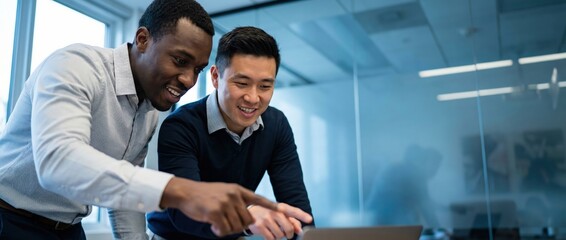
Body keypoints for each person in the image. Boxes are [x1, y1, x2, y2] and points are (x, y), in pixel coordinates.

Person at [0, 1, 283, 239]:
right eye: (179, 60)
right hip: (8, 217)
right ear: (143, 39)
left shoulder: (150, 110)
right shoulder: (75, 66)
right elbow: (58, 161)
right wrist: (182, 191)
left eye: (196, 69)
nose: (187, 80)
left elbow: (124, 196)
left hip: (70, 228)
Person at [146, 26, 314, 240]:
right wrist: (248, 217)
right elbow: (185, 213)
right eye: (242, 83)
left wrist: (304, 232)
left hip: (233, 234)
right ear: (216, 77)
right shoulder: (181, 126)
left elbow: (296, 206)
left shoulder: (276, 125)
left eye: (264, 86)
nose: (253, 98)